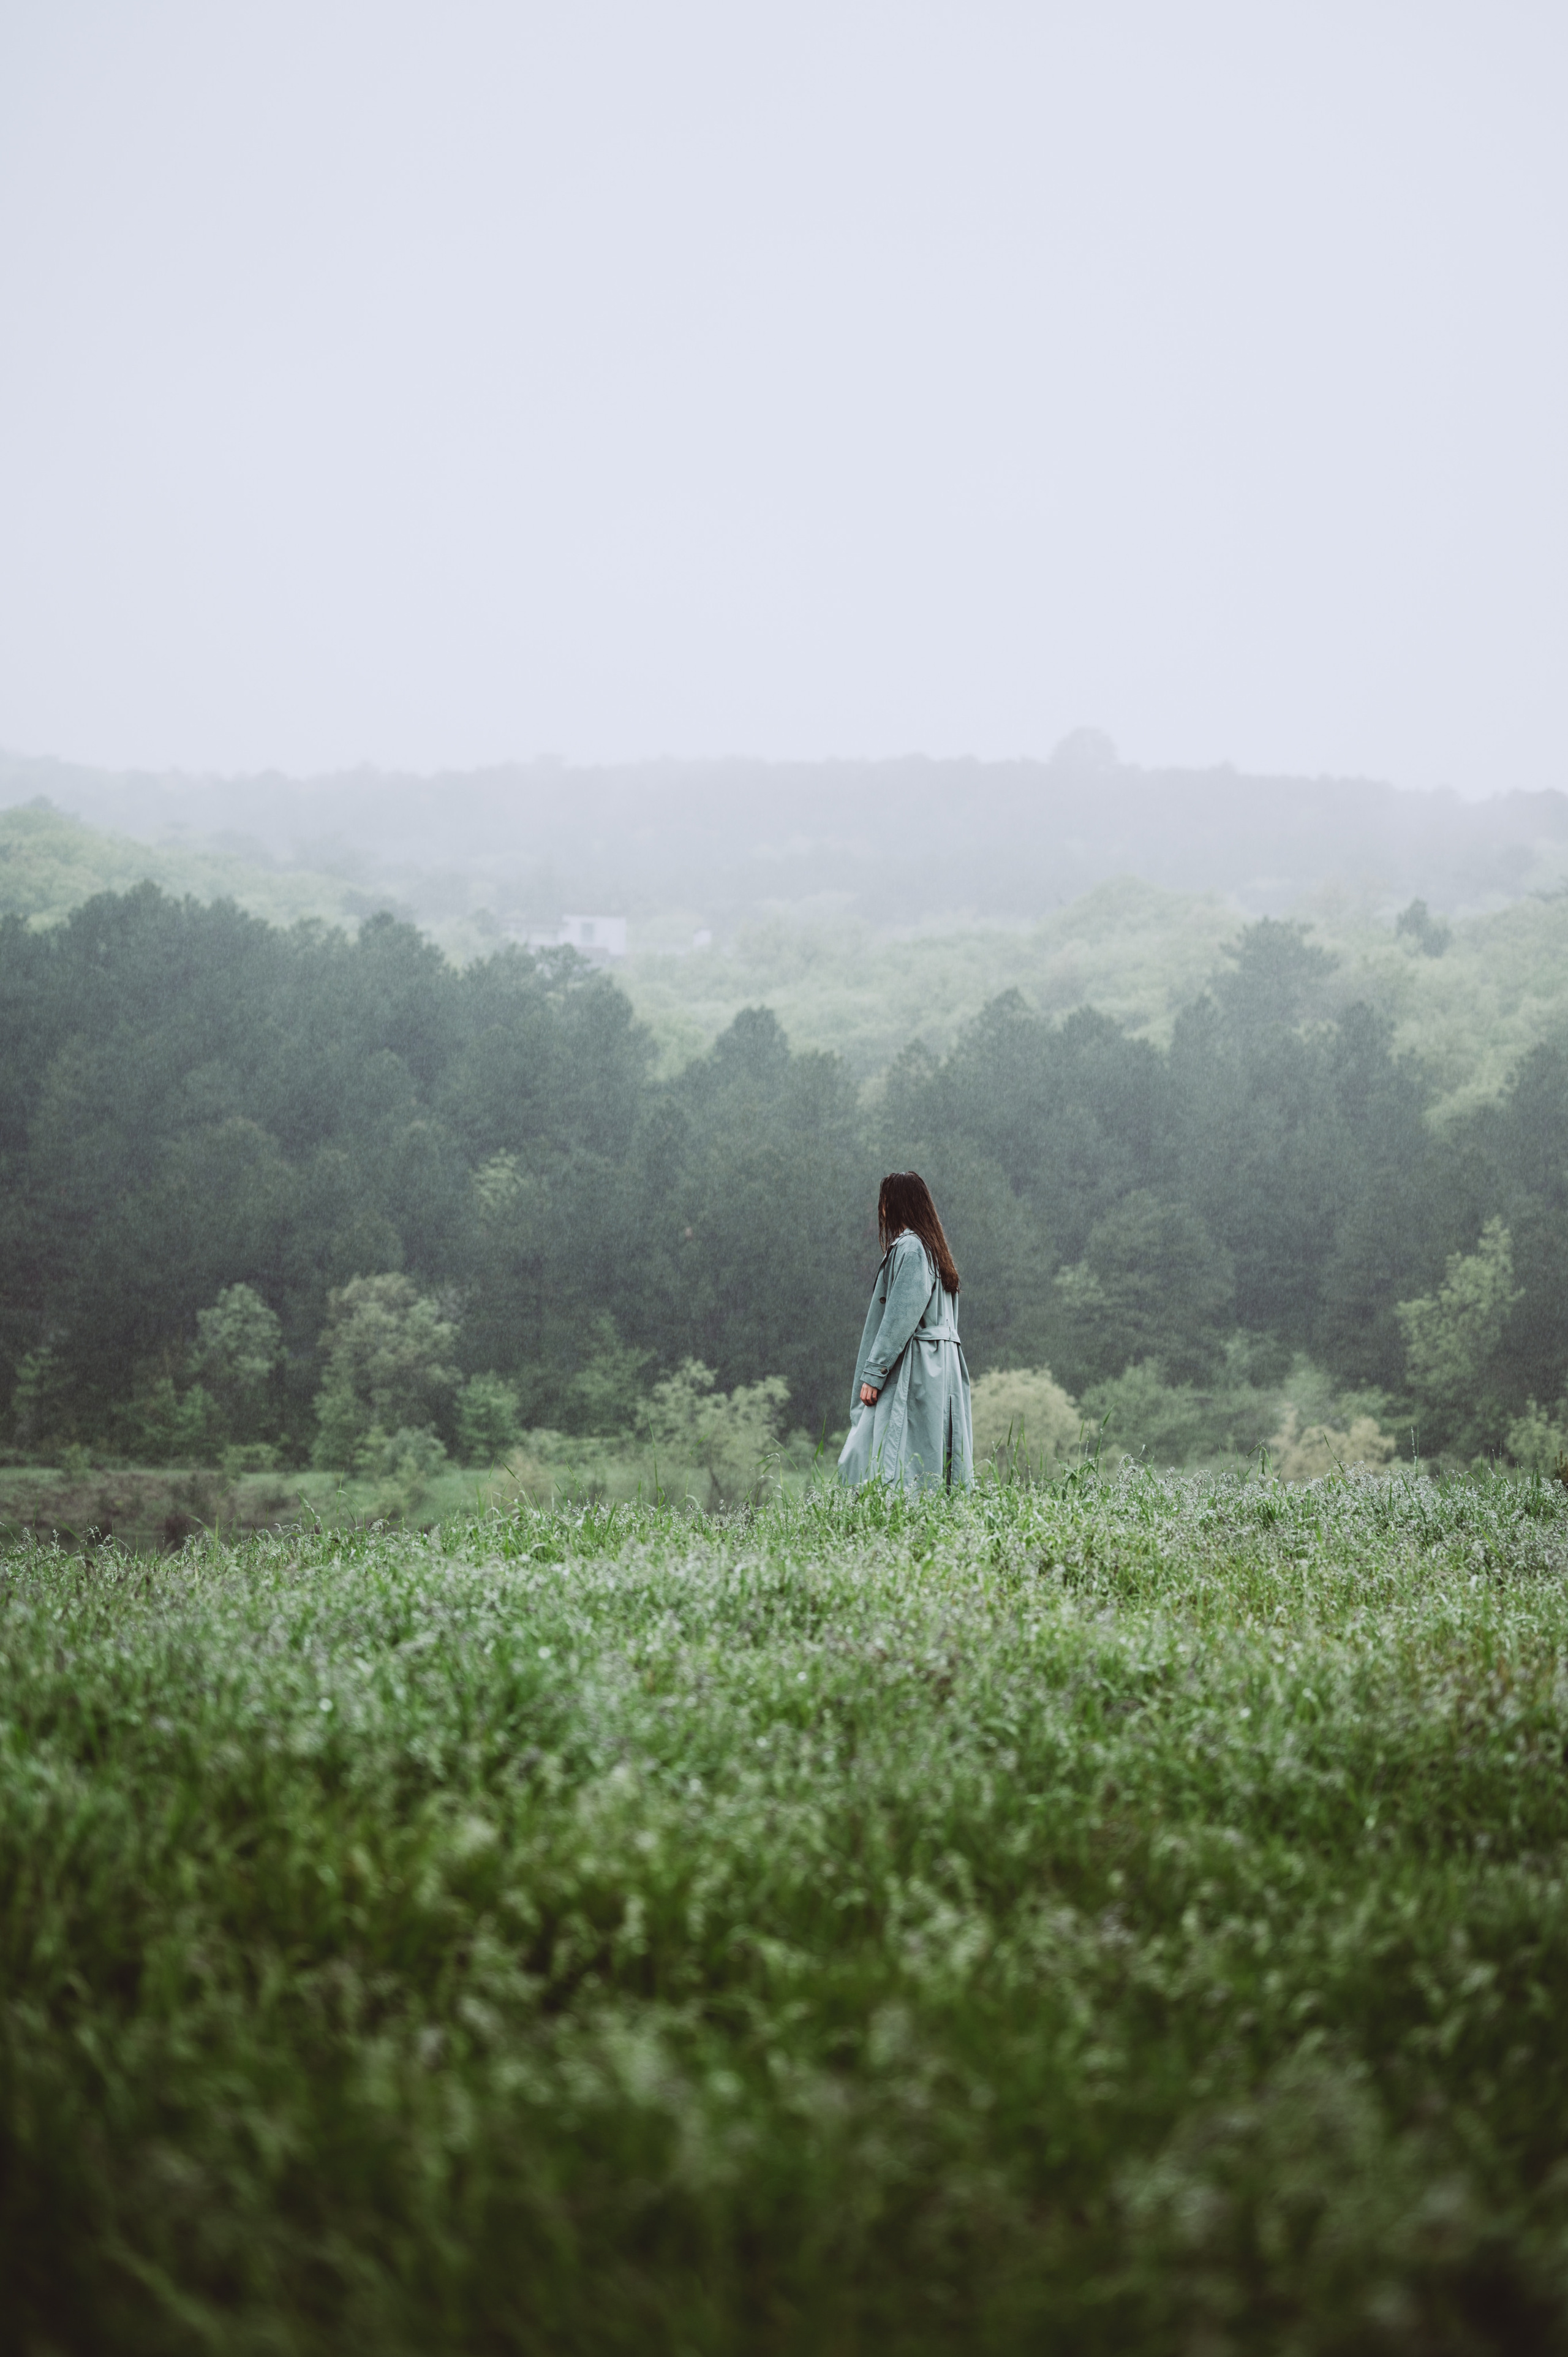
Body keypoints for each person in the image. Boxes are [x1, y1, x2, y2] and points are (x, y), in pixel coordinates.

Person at [838, 1170, 973, 1493]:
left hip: (917, 1366)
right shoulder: (934, 1249)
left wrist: (874, 1373)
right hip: (943, 1367)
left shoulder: (911, 1248)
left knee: (878, 1450)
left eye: (884, 1202)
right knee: (931, 1451)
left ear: (894, 1204)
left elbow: (901, 1315)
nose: (881, 1210)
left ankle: (885, 1517)